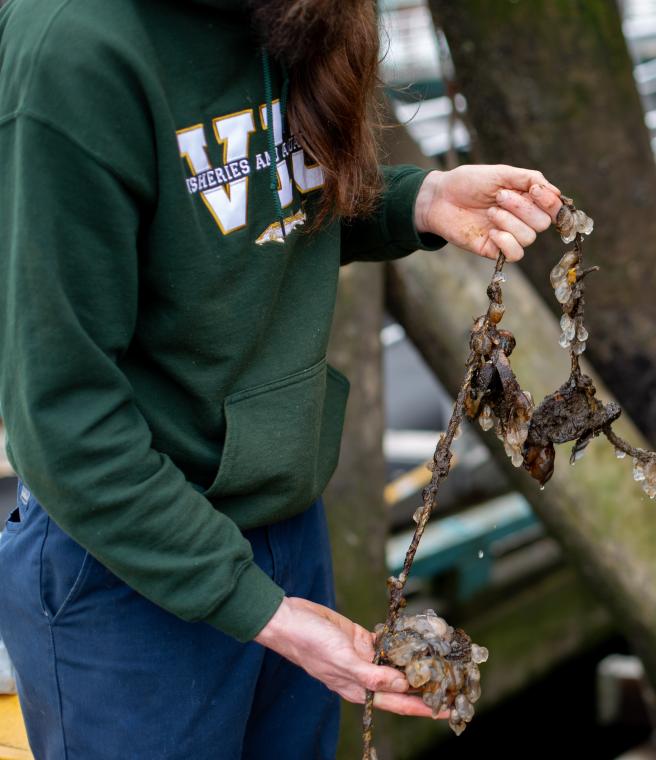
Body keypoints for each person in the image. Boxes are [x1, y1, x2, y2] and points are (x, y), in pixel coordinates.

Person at [0, 0, 563, 757]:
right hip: (126, 561)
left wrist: (418, 201)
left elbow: (242, 206)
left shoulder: (294, 13)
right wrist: (266, 613)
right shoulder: (73, 52)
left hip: (284, 523)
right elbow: (63, 423)